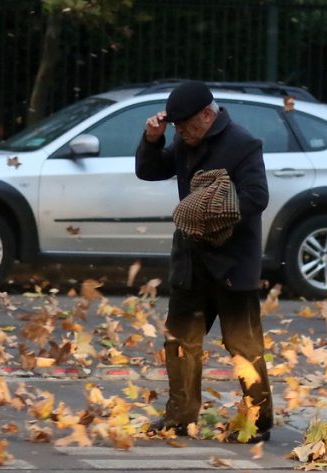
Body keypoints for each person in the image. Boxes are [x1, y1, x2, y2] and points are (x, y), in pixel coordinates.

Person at [135, 81, 273, 442]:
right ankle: (180, 417)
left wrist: (217, 207)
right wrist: (152, 140)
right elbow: (150, 170)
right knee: (180, 342)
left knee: (243, 346)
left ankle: (258, 421)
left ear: (207, 115)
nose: (180, 132)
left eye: (185, 125)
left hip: (232, 265)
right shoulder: (184, 141)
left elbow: (257, 196)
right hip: (192, 261)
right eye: (176, 127)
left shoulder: (243, 144)